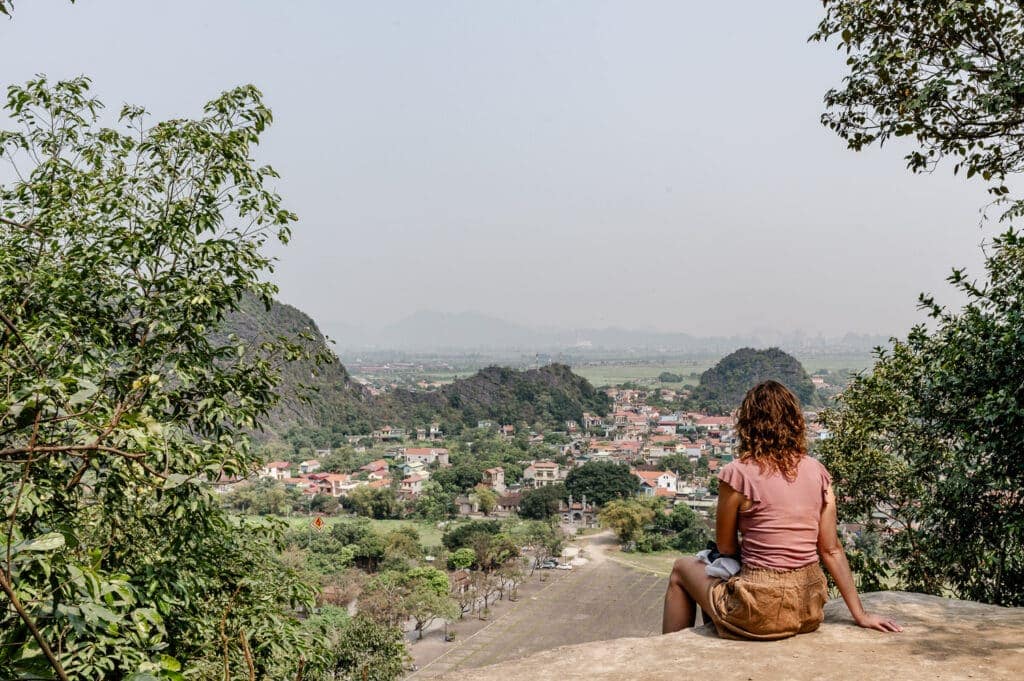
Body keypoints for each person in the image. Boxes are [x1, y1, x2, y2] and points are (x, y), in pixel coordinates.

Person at [661, 380, 902, 639]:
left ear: (748, 424)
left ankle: (669, 655)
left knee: (681, 568)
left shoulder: (737, 474)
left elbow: (727, 547)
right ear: (795, 422)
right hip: (808, 610)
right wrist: (861, 615)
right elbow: (831, 549)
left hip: (759, 610)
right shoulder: (818, 472)